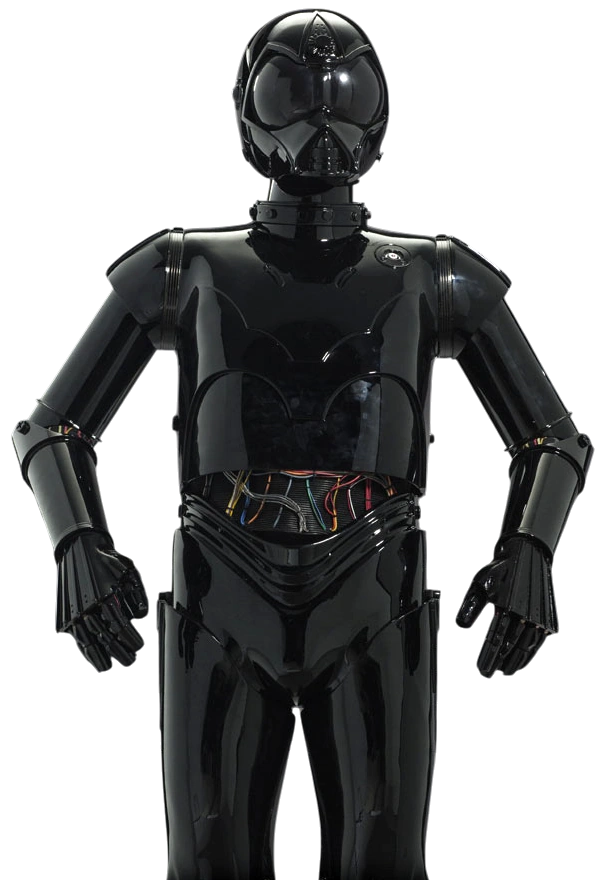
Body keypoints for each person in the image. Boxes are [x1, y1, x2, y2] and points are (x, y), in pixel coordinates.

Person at [10, 9, 591, 880]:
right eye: (299, 93)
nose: (321, 120)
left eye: (337, 95)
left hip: (370, 587)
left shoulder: (430, 272)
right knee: (211, 853)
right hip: (226, 587)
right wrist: (76, 542)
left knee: (383, 852)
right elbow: (51, 425)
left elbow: (551, 435)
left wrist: (533, 548)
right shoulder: (186, 265)